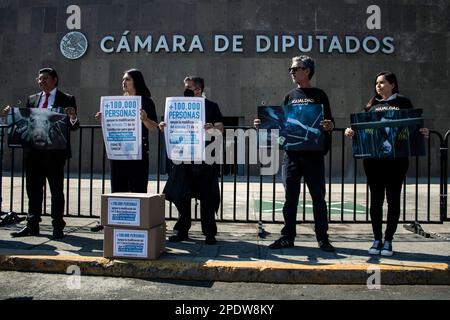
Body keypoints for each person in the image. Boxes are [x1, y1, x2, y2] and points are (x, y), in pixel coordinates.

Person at [254, 55, 335, 252]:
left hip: (313, 155)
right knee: (290, 198)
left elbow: (330, 123)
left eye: (295, 68)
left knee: (318, 197)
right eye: (291, 69)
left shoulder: (319, 95)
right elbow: (282, 127)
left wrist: (330, 125)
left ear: (307, 70)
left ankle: (322, 238)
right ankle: (287, 237)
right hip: (291, 155)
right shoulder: (290, 96)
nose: (291, 72)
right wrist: (263, 126)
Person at [344, 71, 429, 256]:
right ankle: (376, 239)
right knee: (375, 201)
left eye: (382, 82)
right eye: (376, 83)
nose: (378, 86)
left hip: (396, 161)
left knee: (393, 200)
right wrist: (351, 132)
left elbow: (413, 126)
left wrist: (422, 132)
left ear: (393, 84)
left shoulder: (403, 102)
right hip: (374, 162)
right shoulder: (371, 105)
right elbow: (362, 129)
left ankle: (388, 240)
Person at [5, 68, 79, 239]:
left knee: (56, 191)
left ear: (54, 79)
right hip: (33, 154)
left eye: (45, 78)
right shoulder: (32, 99)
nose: (41, 81)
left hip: (55, 154)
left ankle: (58, 226)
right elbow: (26, 122)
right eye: (39, 79)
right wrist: (10, 116)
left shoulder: (67, 99)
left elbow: (73, 126)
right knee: (33, 190)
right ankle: (32, 225)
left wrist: (73, 116)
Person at [159, 76, 224, 245]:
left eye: (189, 88)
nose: (185, 91)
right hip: (183, 157)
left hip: (204, 158)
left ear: (198, 90)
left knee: (207, 196)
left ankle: (209, 232)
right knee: (182, 194)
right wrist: (164, 127)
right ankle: (182, 230)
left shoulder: (211, 106)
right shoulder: (177, 106)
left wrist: (212, 127)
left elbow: (221, 128)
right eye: (185, 87)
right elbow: (170, 125)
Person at [92, 69, 158, 232]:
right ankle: (114, 222)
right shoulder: (118, 101)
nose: (124, 82)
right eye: (123, 79)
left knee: (138, 188)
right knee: (117, 188)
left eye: (127, 79)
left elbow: (154, 128)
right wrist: (104, 119)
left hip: (138, 153)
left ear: (136, 81)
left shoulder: (146, 101)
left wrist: (145, 119)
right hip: (119, 153)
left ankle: (138, 223)